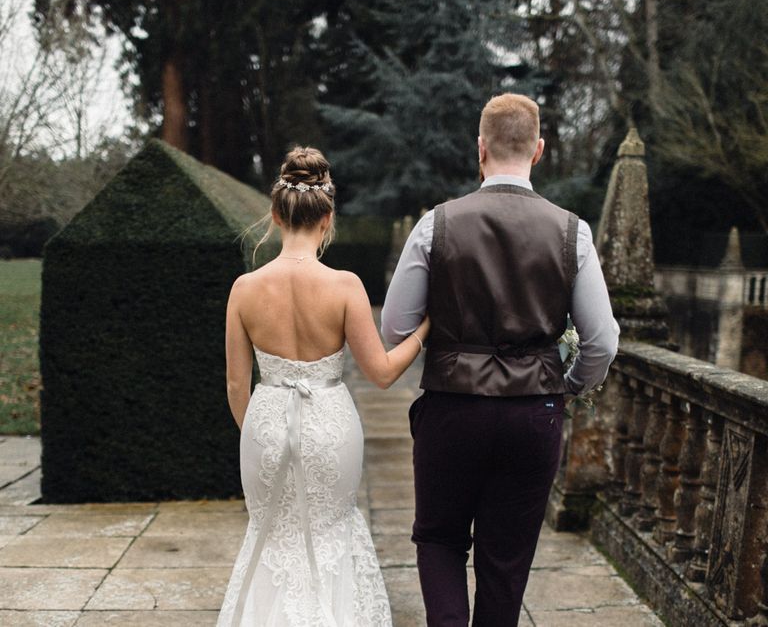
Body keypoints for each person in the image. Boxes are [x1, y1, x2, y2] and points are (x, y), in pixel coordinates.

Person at [382, 93, 620, 626]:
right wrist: (568, 384)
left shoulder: (436, 225)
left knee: (440, 540)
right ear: (539, 150)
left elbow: (394, 328)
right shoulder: (571, 232)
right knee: (506, 562)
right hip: (533, 412)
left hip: (451, 407)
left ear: (480, 149)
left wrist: (440, 331)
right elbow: (602, 341)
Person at [218, 147, 429, 627]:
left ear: (275, 214)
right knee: (332, 533)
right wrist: (423, 331)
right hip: (331, 426)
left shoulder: (244, 289)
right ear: (328, 217)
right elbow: (381, 372)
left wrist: (257, 431)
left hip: (265, 423)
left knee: (271, 536)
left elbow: (236, 384)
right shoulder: (345, 286)